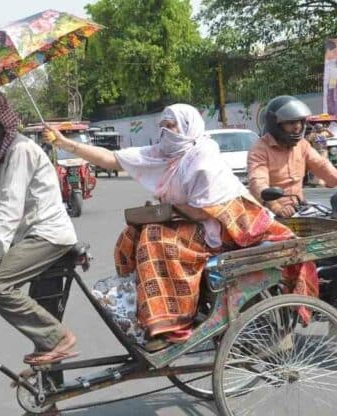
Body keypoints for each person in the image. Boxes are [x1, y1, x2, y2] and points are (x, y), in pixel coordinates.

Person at [45, 103, 319, 346]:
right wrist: (66, 144)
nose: (166, 130)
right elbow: (113, 159)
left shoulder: (202, 157)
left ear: (187, 127)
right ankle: (141, 309)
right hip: (192, 219)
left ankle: (172, 322)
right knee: (131, 236)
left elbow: (204, 210)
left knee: (157, 240)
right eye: (162, 125)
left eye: (171, 124)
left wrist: (167, 212)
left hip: (225, 228)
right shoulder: (165, 153)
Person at [0, 91, 79, 366]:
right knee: (39, 321)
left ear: (0, 120)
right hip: (30, 237)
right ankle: (48, 400)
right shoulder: (2, 157)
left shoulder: (20, 150)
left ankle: (60, 338)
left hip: (47, 235)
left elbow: (10, 210)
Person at [248, 95, 337, 218]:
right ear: (275, 124)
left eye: (300, 121)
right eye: (291, 122)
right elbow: (257, 183)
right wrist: (276, 207)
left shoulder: (302, 145)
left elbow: (321, 166)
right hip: (269, 213)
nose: (297, 127)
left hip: (299, 208)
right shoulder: (260, 150)